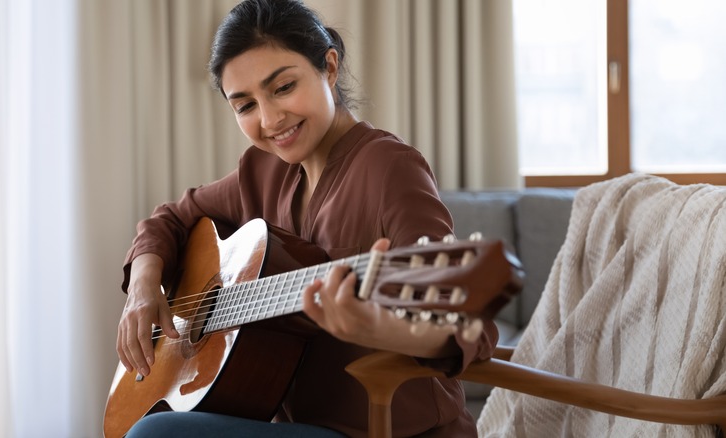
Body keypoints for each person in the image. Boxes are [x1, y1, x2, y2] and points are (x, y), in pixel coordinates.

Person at [116, 0, 498, 436]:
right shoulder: (260, 171)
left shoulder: (390, 167)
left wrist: (382, 329)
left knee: (156, 433)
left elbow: (472, 328)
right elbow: (170, 218)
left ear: (329, 68)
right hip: (293, 424)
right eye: (245, 106)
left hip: (388, 430)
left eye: (282, 88)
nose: (269, 119)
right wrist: (144, 286)